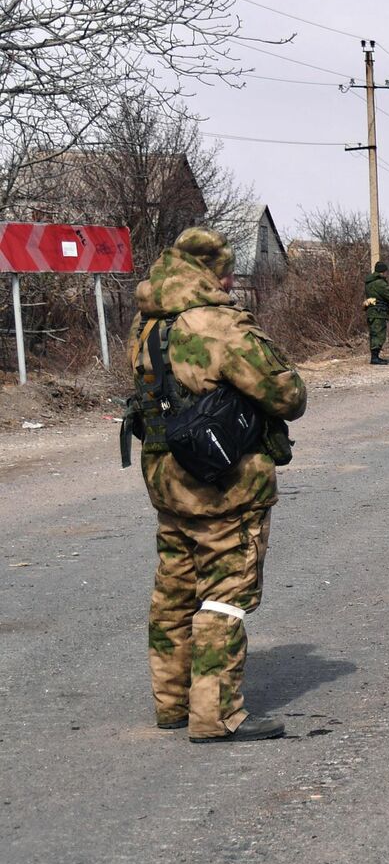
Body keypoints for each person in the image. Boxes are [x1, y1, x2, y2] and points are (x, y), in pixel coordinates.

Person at [125, 227, 307, 742]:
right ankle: (215, 715)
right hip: (225, 479)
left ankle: (172, 703)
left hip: (167, 476)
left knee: (175, 588)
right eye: (227, 271)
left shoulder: (148, 325)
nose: (231, 280)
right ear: (212, 272)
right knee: (226, 595)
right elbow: (287, 394)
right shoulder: (221, 326)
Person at [363, 260, 389, 365]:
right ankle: (375, 358)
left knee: (374, 333)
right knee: (379, 334)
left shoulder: (369, 281)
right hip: (378, 312)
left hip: (372, 311)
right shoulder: (379, 283)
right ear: (382, 271)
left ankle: (375, 356)